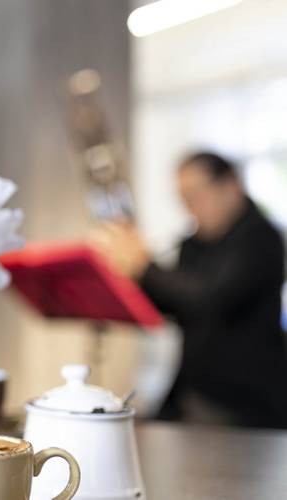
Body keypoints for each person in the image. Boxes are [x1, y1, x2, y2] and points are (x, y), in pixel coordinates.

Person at [92, 151, 287, 428]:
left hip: (245, 404)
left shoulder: (261, 239)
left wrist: (144, 266)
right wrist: (124, 275)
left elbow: (211, 298)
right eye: (184, 198)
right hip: (193, 392)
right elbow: (176, 303)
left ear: (231, 186)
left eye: (197, 195)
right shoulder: (194, 242)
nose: (191, 207)